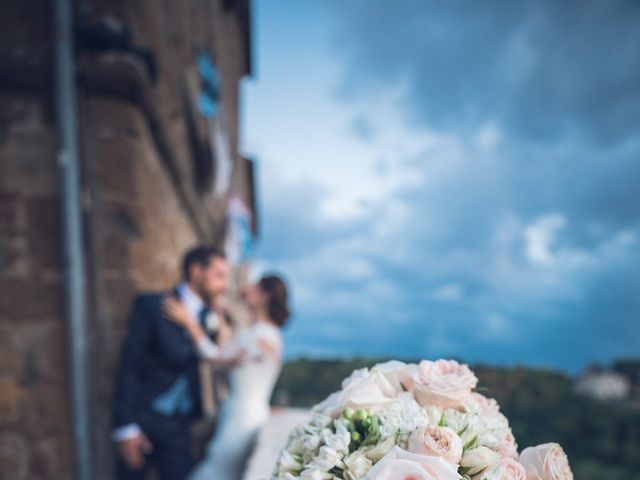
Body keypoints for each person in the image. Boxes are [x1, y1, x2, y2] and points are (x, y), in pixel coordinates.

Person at [112, 246, 232, 480]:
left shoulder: (213, 318)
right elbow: (129, 366)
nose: (224, 286)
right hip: (144, 419)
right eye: (218, 275)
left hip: (181, 427)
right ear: (196, 271)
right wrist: (126, 427)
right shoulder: (153, 306)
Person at [162, 274, 291, 480]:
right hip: (244, 412)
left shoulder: (260, 335)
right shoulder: (263, 333)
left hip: (242, 417)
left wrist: (188, 323)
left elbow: (216, 357)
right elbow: (229, 353)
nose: (247, 289)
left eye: (255, 288)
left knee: (214, 471)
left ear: (265, 296)